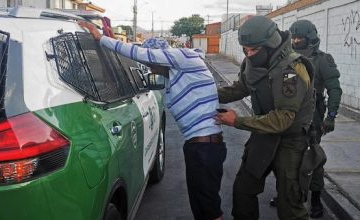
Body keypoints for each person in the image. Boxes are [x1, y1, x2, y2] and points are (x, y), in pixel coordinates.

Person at [79, 21, 227, 220]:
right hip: (199, 147)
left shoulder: (184, 57)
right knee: (200, 206)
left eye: (152, 64)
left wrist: (102, 39)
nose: (151, 68)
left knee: (209, 209)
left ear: (162, 57)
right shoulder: (174, 73)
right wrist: (112, 41)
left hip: (205, 148)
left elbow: (140, 53)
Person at [214, 16, 315, 220]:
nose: (249, 54)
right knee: (243, 192)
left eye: (254, 50)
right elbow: (242, 87)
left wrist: (238, 121)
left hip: (290, 142)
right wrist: (207, 93)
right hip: (263, 137)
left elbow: (282, 120)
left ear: (271, 45)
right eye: (245, 50)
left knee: (290, 205)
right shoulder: (251, 61)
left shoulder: (292, 71)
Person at [269, 19, 342, 218]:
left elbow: (334, 89)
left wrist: (331, 116)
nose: (295, 41)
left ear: (310, 38)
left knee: (312, 159)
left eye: (300, 38)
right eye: (293, 37)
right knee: (282, 159)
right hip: (287, 116)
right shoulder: (285, 58)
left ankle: (316, 199)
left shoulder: (322, 60)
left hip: (313, 120)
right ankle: (284, 194)